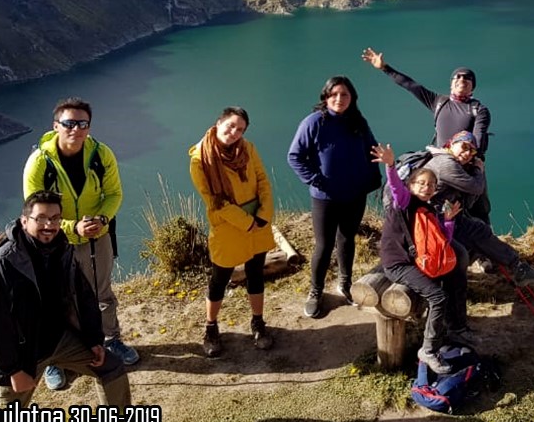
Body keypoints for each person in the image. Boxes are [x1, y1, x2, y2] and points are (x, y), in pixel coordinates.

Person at [0, 191, 156, 422]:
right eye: (42, 218)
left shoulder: (62, 246)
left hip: (60, 339)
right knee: (5, 419)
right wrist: (12, 370)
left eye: (55, 218)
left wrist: (94, 339)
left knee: (112, 366)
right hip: (24, 353)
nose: (49, 225)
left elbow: (83, 294)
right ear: (25, 221)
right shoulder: (5, 262)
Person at [21, 97, 137, 393]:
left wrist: (100, 218)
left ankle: (111, 341)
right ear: (56, 126)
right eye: (69, 123)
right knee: (58, 299)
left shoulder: (100, 155)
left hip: (97, 236)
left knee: (102, 292)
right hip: (54, 243)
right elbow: (36, 211)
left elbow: (114, 194)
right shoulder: (40, 162)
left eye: (82, 123)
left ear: (88, 126)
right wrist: (73, 227)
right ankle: (55, 359)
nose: (76, 129)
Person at [288, 76, 383, 318]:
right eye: (334, 94)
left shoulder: (358, 123)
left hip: (354, 193)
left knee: (347, 239)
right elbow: (295, 156)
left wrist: (374, 178)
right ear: (326, 97)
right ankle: (316, 291)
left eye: (345, 95)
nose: (339, 99)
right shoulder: (314, 122)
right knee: (323, 244)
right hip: (325, 197)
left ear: (352, 98)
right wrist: (314, 179)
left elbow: (372, 151)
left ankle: (345, 283)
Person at [361, 47, 492, 224]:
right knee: (431, 199)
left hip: (467, 163)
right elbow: (411, 85)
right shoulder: (439, 101)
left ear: (472, 87)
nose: (462, 79)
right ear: (451, 83)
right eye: (458, 77)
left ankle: (482, 241)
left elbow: (477, 138)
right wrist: (385, 67)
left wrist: (474, 163)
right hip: (440, 161)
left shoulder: (478, 110)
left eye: (467, 78)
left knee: (480, 206)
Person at [372, 142, 472, 373]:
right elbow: (396, 188)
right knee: (438, 297)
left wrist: (448, 220)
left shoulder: (429, 209)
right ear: (411, 185)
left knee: (447, 283)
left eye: (431, 185)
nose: (427, 188)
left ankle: (447, 330)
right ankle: (428, 350)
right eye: (421, 183)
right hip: (398, 264)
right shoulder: (405, 203)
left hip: (418, 261)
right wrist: (389, 166)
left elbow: (442, 241)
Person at [189, 106, 276, 358]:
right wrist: (246, 221)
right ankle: (211, 327)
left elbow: (262, 180)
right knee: (219, 278)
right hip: (228, 227)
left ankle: (258, 322)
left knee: (255, 273)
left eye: (240, 129)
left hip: (257, 222)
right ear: (218, 123)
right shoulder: (200, 159)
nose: (234, 132)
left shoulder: (247, 149)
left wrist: (263, 214)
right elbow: (213, 200)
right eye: (230, 126)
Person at [423, 131, 534, 286]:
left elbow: (468, 201)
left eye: (472, 150)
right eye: (464, 146)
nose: (468, 152)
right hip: (432, 222)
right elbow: (476, 187)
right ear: (451, 143)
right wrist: (478, 170)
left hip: (441, 217)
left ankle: (514, 266)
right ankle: (518, 268)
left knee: (477, 229)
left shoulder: (449, 161)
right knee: (478, 231)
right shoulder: (446, 164)